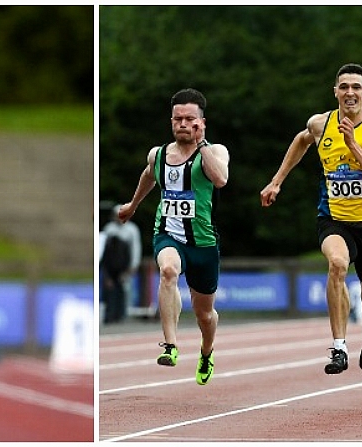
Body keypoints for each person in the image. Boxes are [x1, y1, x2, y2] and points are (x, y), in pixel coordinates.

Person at [260, 63, 362, 375]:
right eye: (344, 86)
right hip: (334, 220)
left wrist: (353, 147)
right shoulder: (320, 124)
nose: (350, 92)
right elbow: (301, 140)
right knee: (336, 264)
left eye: (356, 87)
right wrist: (276, 181)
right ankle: (338, 347)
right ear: (335, 91)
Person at [117, 88, 229, 385]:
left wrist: (201, 142)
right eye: (178, 119)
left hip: (203, 243)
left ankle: (207, 351)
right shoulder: (159, 154)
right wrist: (132, 205)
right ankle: (170, 345)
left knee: (205, 315)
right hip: (168, 233)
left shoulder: (215, 151)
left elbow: (220, 179)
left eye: (190, 119)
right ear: (171, 121)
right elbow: (148, 176)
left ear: (202, 121)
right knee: (167, 271)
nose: (183, 124)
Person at [100, 204, 142, 324]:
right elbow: (104, 250)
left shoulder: (132, 230)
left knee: (124, 289)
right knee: (110, 290)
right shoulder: (109, 229)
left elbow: (135, 248)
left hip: (125, 265)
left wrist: (133, 266)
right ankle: (110, 315)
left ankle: (122, 315)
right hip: (111, 266)